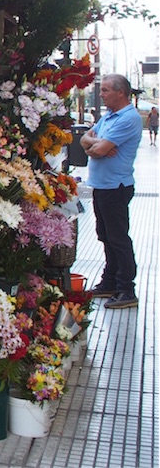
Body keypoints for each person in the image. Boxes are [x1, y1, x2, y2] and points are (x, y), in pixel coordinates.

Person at [79, 74, 143, 309]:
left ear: (121, 93)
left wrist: (98, 145)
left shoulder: (129, 118)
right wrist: (94, 144)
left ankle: (126, 288)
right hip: (101, 185)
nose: (101, 94)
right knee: (105, 235)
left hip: (116, 187)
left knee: (118, 238)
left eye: (106, 90)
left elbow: (98, 148)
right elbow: (87, 142)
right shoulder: (108, 117)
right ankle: (110, 281)